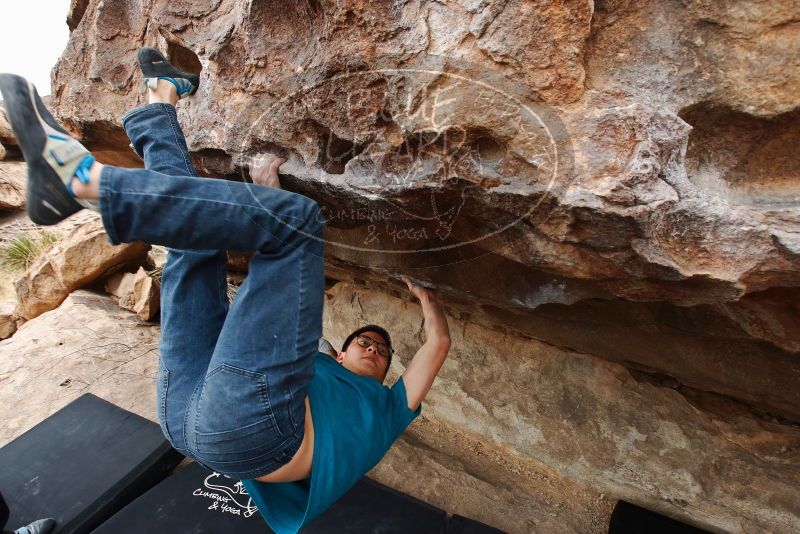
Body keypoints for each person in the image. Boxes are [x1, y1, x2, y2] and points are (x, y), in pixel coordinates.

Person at [0, 48, 451, 533]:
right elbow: (282, 301)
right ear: (338, 355)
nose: (374, 348)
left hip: (249, 436)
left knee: (295, 221)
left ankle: (88, 186)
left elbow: (437, 344)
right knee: (195, 247)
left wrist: (432, 306)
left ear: (383, 376)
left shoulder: (388, 409)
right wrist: (268, 192)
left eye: (381, 353)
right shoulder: (316, 366)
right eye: (367, 342)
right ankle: (161, 99)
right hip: (194, 413)